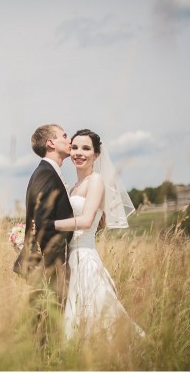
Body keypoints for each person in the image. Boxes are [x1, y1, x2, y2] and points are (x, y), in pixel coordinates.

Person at [46, 129, 145, 340]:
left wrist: (49, 224)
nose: (78, 153)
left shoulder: (96, 180)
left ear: (96, 155)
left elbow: (85, 221)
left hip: (86, 260)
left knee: (98, 318)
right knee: (77, 320)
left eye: (86, 148)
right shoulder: (73, 188)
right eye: (74, 147)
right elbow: (93, 223)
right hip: (70, 260)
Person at [13, 124, 75, 307]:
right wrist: (58, 266)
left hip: (46, 267)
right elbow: (43, 225)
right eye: (64, 136)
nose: (70, 140)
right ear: (50, 143)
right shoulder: (46, 174)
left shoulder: (47, 172)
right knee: (47, 328)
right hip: (46, 268)